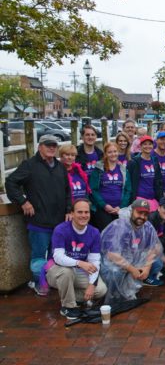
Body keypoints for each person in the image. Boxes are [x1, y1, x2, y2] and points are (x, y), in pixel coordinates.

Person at [6, 135, 71, 294]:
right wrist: (23, 201)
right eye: (48, 145)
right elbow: (10, 183)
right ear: (39, 147)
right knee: (38, 258)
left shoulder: (60, 166)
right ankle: (38, 283)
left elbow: (67, 191)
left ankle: (51, 281)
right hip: (39, 222)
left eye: (54, 145)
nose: (51, 148)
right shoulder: (29, 165)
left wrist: (69, 209)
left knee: (55, 256)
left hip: (58, 223)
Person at [46, 199, 107, 319]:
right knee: (66, 272)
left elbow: (95, 261)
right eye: (80, 212)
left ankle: (71, 296)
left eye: (86, 212)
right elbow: (58, 257)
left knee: (100, 290)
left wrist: (91, 285)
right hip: (57, 269)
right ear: (72, 214)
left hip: (78, 270)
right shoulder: (60, 229)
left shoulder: (94, 232)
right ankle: (68, 307)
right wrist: (79, 263)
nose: (83, 215)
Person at [100, 199, 163, 302]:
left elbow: (154, 247)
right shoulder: (119, 226)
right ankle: (113, 293)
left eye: (145, 214)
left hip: (133, 259)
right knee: (115, 272)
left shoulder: (147, 226)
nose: (142, 217)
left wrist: (146, 268)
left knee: (157, 263)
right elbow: (112, 254)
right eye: (139, 212)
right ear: (131, 211)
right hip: (113, 263)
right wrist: (132, 269)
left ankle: (138, 280)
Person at [89, 142, 132, 231]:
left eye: (115, 151)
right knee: (106, 234)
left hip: (119, 209)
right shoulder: (99, 169)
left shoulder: (123, 169)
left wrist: (121, 206)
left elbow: (128, 190)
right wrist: (104, 205)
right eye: (110, 152)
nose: (113, 154)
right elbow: (93, 190)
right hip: (103, 210)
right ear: (105, 154)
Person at [127, 135, 163, 210]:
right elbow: (129, 182)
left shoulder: (155, 161)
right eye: (145, 144)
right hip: (139, 198)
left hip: (153, 198)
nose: (147, 146)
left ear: (153, 145)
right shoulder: (134, 162)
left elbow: (158, 181)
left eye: (150, 144)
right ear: (140, 146)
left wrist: (160, 196)